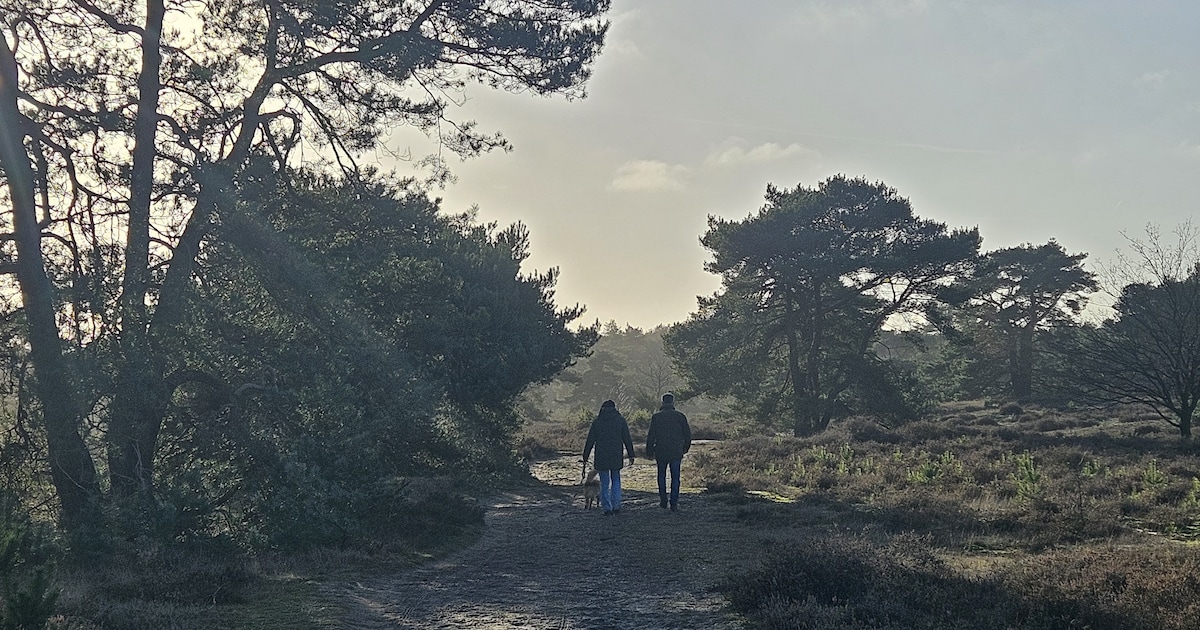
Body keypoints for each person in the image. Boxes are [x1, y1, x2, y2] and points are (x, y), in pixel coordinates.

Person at [582, 399, 636, 515]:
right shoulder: (620, 421)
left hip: (601, 455)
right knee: (616, 480)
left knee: (604, 482)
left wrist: (585, 456)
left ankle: (607, 507)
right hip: (616, 454)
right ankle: (616, 505)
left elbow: (590, 440)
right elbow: (627, 438)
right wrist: (631, 454)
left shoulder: (597, 422)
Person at [645, 392, 691, 511]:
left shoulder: (656, 417)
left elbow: (651, 436)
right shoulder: (680, 416)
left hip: (661, 450)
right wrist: (685, 447)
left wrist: (649, 451)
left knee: (661, 476)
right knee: (675, 477)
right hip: (676, 450)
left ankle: (663, 500)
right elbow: (687, 434)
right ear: (673, 402)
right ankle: (674, 502)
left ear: (662, 402)